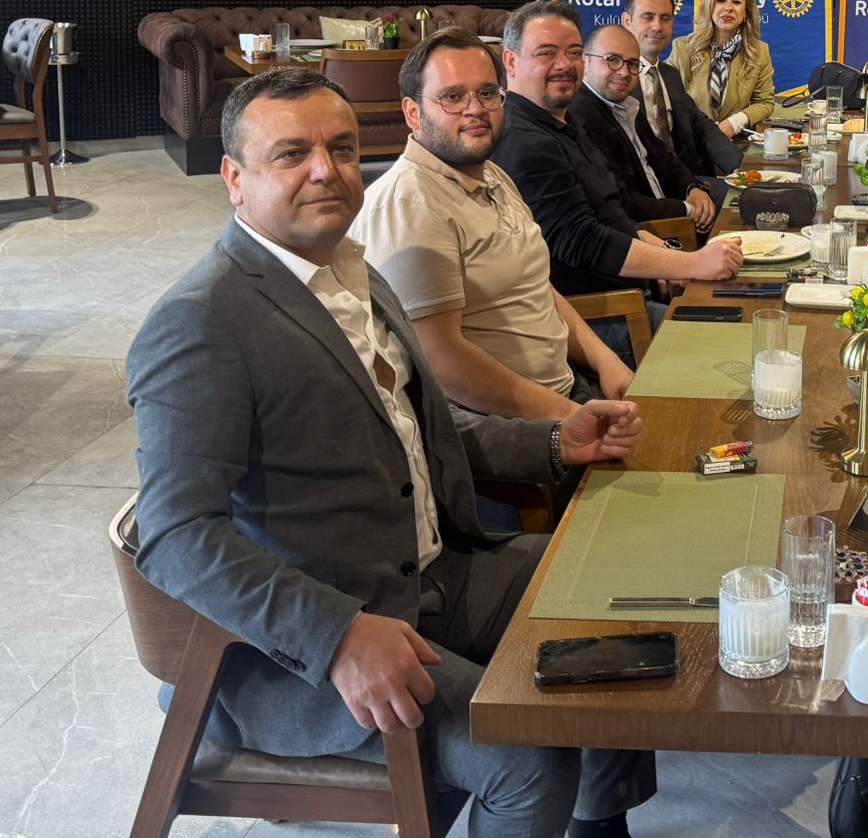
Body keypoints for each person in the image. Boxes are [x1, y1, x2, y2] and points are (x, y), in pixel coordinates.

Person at [126, 67, 657, 838]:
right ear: (234, 179)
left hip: (433, 577)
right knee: (528, 754)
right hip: (301, 653)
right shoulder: (202, 321)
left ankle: (597, 823)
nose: (326, 170)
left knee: (613, 589)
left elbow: (420, 434)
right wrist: (337, 633)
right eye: (292, 154)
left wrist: (553, 439)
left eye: (342, 148)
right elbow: (175, 536)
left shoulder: (354, 271)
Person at [351, 29, 635, 427]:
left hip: (567, 392)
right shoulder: (410, 205)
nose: (476, 109)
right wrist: (571, 416)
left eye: (487, 93)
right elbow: (441, 362)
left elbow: (535, 288)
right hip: (512, 429)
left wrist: (607, 362)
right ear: (413, 112)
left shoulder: (492, 174)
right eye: (453, 97)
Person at [492, 0, 742, 297]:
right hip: (610, 309)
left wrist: (662, 250)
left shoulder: (564, 121)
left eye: (573, 52)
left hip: (643, 284)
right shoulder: (523, 140)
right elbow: (583, 240)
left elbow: (610, 212)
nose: (564, 64)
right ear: (511, 62)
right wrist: (690, 264)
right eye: (546, 53)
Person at [570, 23, 719, 233]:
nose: (624, 72)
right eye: (613, 60)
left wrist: (693, 188)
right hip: (646, 232)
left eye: (632, 64)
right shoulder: (581, 116)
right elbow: (619, 199)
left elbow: (664, 157)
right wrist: (687, 210)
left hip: (672, 209)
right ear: (585, 62)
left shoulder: (627, 104)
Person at [620, 0, 740, 182]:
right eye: (648, 17)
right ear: (627, 21)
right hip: (646, 187)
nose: (657, 26)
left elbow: (701, 125)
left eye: (665, 18)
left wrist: (740, 167)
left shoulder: (670, 75)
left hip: (690, 180)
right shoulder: (616, 80)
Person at [669, 0, 778, 137]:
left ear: (745, 12)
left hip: (733, 145)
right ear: (709, 6)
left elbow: (765, 103)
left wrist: (734, 124)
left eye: (736, 2)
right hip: (690, 142)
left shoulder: (759, 51)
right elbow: (667, 98)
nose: (728, 8)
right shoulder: (683, 48)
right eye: (720, 0)